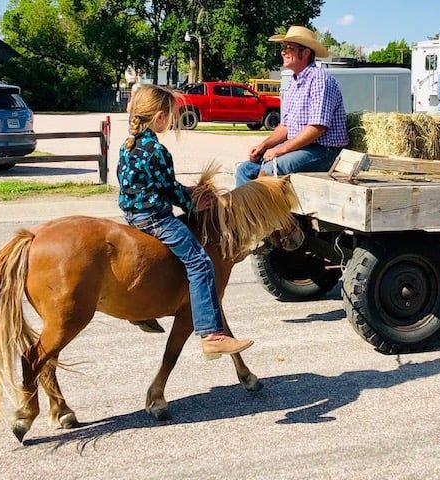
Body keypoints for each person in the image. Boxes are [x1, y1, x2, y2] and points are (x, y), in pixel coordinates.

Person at [118, 84, 253, 359]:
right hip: (155, 218)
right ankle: (211, 335)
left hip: (131, 216)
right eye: (169, 116)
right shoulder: (157, 150)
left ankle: (139, 313)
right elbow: (168, 189)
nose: (169, 121)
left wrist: (184, 195)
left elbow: (142, 183)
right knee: (200, 262)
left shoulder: (127, 146)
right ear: (158, 117)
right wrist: (192, 202)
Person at [234, 26, 349, 187]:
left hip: (324, 152)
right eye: (283, 47)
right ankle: (242, 212)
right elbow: (285, 126)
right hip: (302, 148)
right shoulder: (293, 83)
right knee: (244, 170)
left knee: (269, 170)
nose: (283, 52)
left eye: (289, 47)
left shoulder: (320, 79)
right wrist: (263, 146)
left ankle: (262, 211)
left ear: (306, 52)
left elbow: (317, 128)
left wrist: (280, 150)